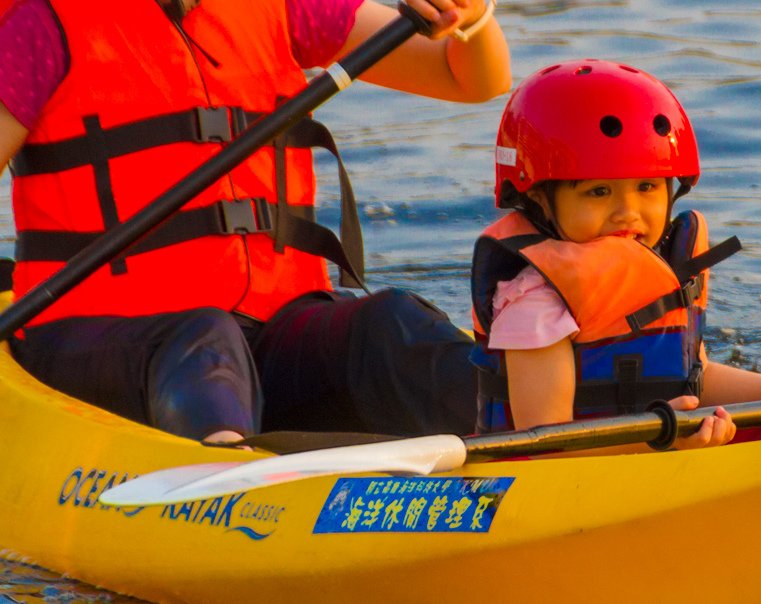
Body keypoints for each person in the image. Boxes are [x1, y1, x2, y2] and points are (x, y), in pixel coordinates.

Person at [0, 0, 511, 443]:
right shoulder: (40, 24)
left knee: (387, 325)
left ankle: (530, 433)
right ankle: (228, 488)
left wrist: (471, 18)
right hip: (95, 343)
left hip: (269, 333)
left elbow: (467, 77)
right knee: (206, 340)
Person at [469, 59, 761, 450]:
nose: (628, 212)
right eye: (598, 191)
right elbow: (544, 445)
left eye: (647, 188)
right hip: (561, 478)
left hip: (658, 442)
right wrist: (665, 440)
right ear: (539, 200)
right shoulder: (534, 303)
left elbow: (696, 379)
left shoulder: (655, 271)